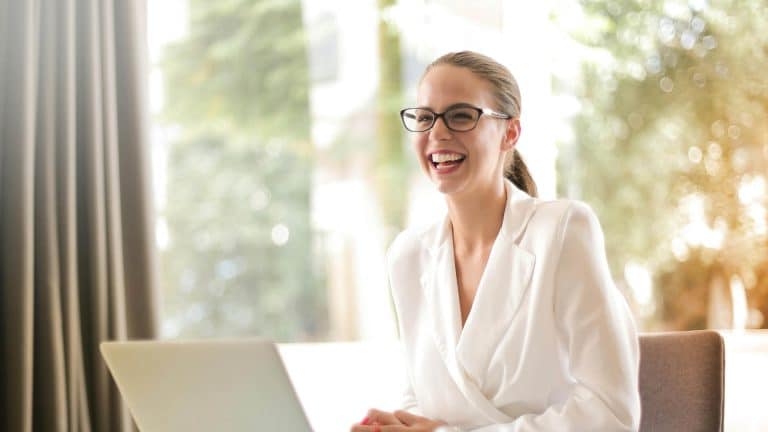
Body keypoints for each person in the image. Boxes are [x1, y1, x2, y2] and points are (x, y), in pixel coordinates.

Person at [350, 51, 640, 432]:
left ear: (510, 132)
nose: (437, 133)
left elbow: (611, 415)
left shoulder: (563, 231)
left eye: (461, 115)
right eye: (424, 118)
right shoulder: (408, 256)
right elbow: (421, 394)